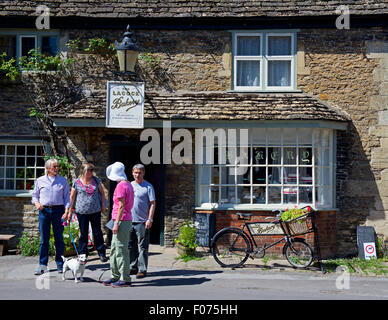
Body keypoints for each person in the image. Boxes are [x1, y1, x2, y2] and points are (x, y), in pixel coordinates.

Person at [31, 158, 71, 275]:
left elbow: (67, 199)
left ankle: (60, 263)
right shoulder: (40, 180)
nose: (57, 168)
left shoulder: (63, 181)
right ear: (48, 168)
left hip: (59, 211)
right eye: (54, 167)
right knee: (44, 239)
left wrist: (66, 211)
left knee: (59, 238)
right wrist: (37, 204)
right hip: (44, 211)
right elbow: (34, 196)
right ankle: (42, 265)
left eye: (57, 166)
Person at [103, 162, 134, 288]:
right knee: (115, 249)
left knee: (121, 250)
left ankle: (125, 278)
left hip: (121, 220)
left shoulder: (121, 186)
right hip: (122, 219)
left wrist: (116, 223)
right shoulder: (128, 184)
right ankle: (115, 275)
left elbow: (121, 206)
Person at [69, 163, 108, 262]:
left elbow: (102, 193)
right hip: (82, 212)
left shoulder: (96, 180)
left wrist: (103, 204)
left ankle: (101, 253)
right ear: (83, 171)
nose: (91, 172)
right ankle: (83, 254)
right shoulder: (77, 182)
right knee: (83, 233)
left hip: (95, 211)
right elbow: (72, 197)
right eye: (89, 170)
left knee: (97, 232)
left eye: (92, 170)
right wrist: (69, 211)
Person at [128, 164, 156, 279]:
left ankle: (142, 269)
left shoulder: (148, 186)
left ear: (143, 173)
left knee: (143, 247)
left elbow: (153, 204)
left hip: (142, 221)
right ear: (132, 173)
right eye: (135, 172)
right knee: (130, 245)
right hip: (129, 220)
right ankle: (132, 267)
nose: (137, 175)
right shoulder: (129, 185)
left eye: (139, 173)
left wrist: (150, 219)